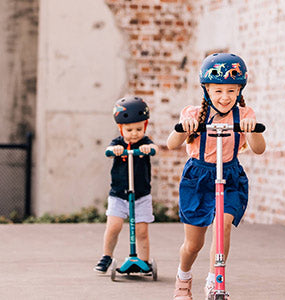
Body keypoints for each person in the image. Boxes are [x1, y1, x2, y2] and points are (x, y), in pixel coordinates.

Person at [167, 53, 266, 300]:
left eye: (231, 91)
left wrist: (252, 130)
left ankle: (215, 281)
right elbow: (171, 143)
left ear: (239, 91)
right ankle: (184, 277)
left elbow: (259, 148)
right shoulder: (192, 113)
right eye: (218, 90)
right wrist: (184, 128)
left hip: (230, 176)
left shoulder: (244, 115)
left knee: (222, 226)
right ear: (207, 90)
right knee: (194, 244)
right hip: (198, 177)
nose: (225, 97)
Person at [93, 96, 158, 274]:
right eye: (129, 130)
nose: (134, 133)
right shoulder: (118, 143)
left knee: (142, 231)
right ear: (121, 128)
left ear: (144, 127)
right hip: (119, 194)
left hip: (142, 195)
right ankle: (106, 256)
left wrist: (148, 149)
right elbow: (107, 151)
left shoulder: (145, 142)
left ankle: (144, 262)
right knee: (114, 226)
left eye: (139, 129)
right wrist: (113, 151)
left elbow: (155, 148)